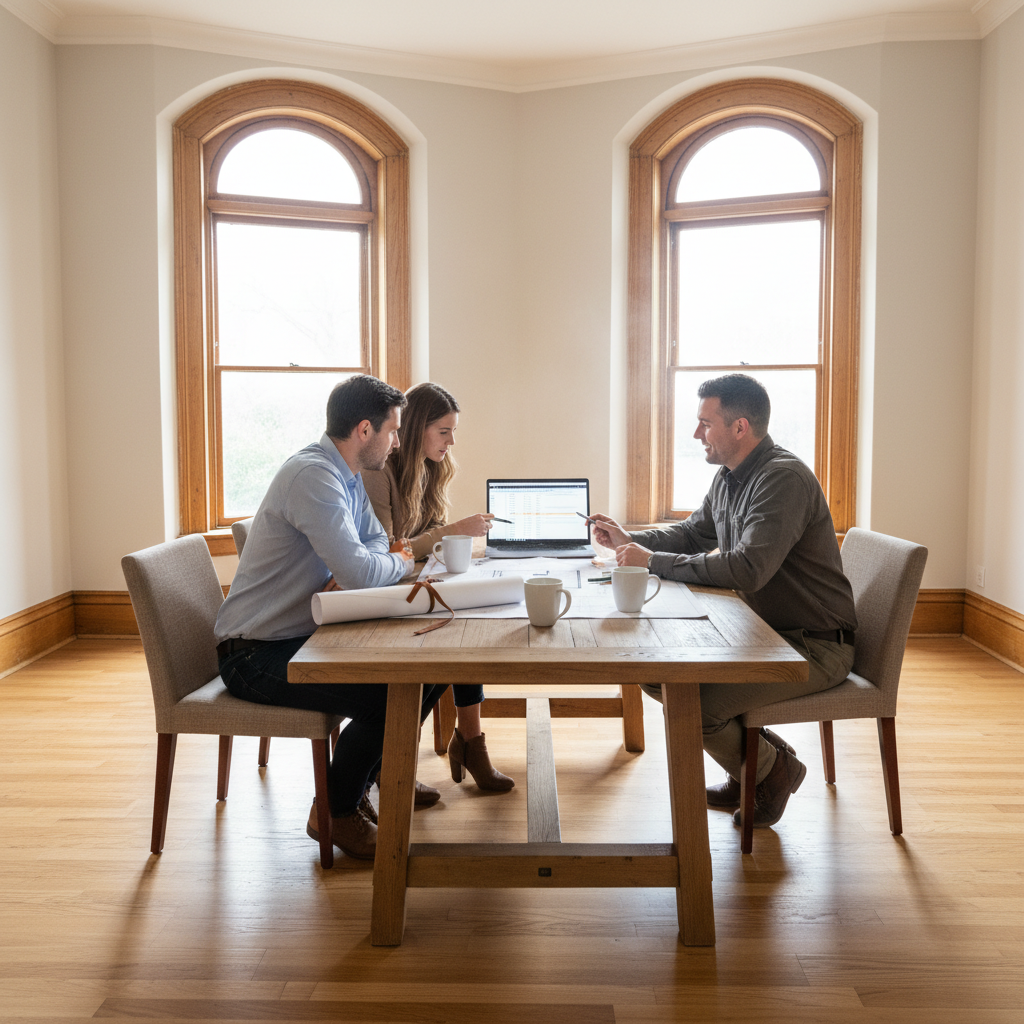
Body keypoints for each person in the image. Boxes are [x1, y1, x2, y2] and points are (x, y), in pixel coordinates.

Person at [590, 373, 857, 830]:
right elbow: (695, 533)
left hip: (812, 646)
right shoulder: (730, 476)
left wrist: (652, 560)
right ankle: (749, 764)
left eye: (704, 423)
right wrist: (629, 538)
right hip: (764, 635)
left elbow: (746, 569)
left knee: (691, 705)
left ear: (740, 427)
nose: (697, 434)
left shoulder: (782, 480)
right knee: (657, 676)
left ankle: (772, 773)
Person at [214, 374, 447, 860]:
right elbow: (367, 567)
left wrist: (377, 560)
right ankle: (334, 813)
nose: (398, 441)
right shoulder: (314, 477)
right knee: (390, 696)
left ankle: (356, 786)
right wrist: (400, 563)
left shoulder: (346, 474)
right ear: (365, 430)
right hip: (256, 655)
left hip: (300, 636)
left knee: (434, 673)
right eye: (394, 430)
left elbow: (377, 542)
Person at [363, 382, 515, 792]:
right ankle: (393, 762)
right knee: (452, 638)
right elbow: (391, 549)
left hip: (416, 586)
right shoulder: (379, 474)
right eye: (443, 431)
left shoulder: (431, 469)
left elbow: (425, 537)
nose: (451, 442)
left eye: (453, 432)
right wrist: (454, 531)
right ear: (416, 429)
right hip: (385, 591)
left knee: (465, 623)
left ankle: (470, 740)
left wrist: (453, 535)